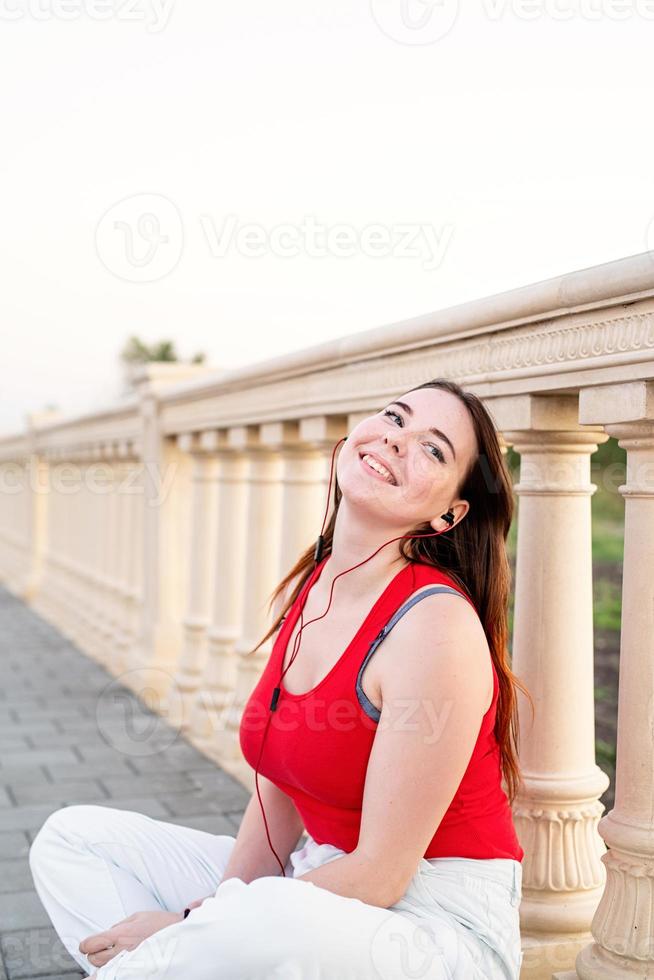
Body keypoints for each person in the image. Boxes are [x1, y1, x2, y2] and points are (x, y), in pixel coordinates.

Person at [29, 378, 530, 979]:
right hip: (317, 880)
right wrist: (215, 914)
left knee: (264, 922)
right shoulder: (314, 589)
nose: (398, 441)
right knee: (72, 839)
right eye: (394, 418)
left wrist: (193, 925)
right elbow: (276, 806)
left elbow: (380, 874)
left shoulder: (434, 627)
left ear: (449, 513)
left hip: (435, 923)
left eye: (433, 449)